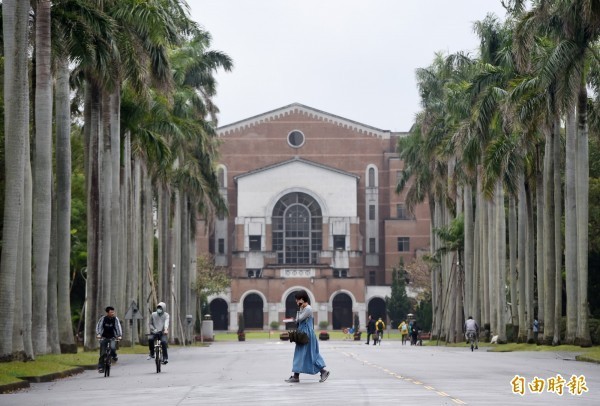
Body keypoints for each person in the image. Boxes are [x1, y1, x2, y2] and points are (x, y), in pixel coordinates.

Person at [285, 290, 330, 383]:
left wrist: (300, 308)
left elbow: (298, 319)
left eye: (297, 300)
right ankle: (297, 375)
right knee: (305, 354)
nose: (296, 301)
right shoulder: (305, 308)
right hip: (304, 333)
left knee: (307, 354)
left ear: (302, 299)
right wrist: (301, 308)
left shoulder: (308, 309)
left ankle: (297, 376)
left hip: (306, 335)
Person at [96, 306, 122, 373]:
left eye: (113, 312)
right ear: (107, 312)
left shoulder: (115, 319)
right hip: (104, 337)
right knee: (102, 353)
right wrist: (99, 334)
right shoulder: (103, 319)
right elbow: (99, 326)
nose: (112, 313)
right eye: (111, 312)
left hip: (112, 337)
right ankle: (101, 367)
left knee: (113, 348)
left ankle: (114, 355)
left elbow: (118, 327)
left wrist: (119, 336)